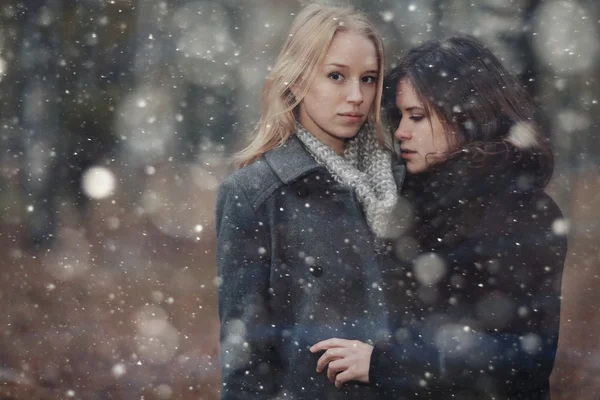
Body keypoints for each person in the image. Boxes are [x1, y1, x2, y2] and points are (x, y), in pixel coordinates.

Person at [311, 36, 567, 399]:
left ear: (468, 116)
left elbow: (515, 363)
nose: (401, 132)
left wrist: (383, 365)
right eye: (399, 116)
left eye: (417, 116)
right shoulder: (418, 201)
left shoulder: (521, 213)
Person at [215, 4, 405, 399]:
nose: (356, 96)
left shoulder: (406, 181)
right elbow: (245, 355)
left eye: (368, 79)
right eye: (336, 76)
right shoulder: (254, 194)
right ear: (298, 79)